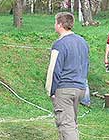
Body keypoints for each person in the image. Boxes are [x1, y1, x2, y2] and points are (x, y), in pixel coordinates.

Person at [45, 12, 89, 140]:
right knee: (71, 123)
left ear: (59, 24)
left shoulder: (59, 44)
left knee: (66, 125)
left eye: (55, 23)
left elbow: (54, 70)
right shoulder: (82, 41)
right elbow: (86, 64)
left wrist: (51, 91)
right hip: (80, 88)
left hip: (64, 89)